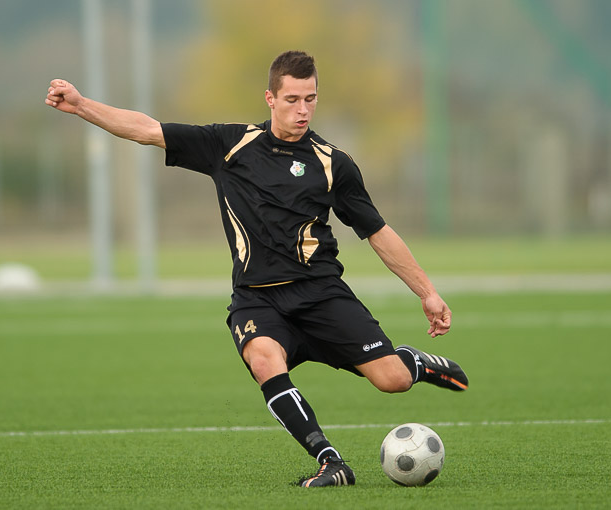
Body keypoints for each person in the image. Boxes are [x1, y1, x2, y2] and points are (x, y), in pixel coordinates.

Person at [45, 50, 468, 488]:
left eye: (310, 99)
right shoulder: (230, 144)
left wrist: (427, 292)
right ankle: (331, 462)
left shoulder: (332, 163)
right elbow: (148, 130)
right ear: (270, 98)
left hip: (321, 293)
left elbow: (377, 232)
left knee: (392, 380)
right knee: (264, 359)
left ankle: (415, 363)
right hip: (257, 298)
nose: (302, 109)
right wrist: (81, 105)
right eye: (292, 99)